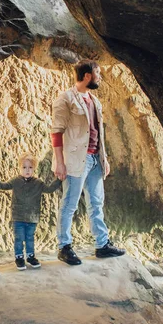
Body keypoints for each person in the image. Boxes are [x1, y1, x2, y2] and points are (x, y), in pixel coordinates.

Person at [51, 59, 125, 265]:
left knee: (96, 203)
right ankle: (64, 247)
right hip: (75, 159)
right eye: (97, 73)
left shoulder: (95, 101)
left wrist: (105, 159)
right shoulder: (65, 98)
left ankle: (102, 245)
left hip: (95, 160)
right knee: (69, 204)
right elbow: (56, 132)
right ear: (87, 76)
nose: (100, 77)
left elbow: (99, 133)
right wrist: (59, 162)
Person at [0, 153, 61, 270]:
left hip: (32, 217)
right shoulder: (16, 181)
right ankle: (19, 257)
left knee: (30, 238)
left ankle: (31, 256)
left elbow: (49, 189)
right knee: (19, 238)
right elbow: (2, 186)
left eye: (30, 167)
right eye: (24, 167)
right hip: (18, 217)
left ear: (34, 168)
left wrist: (59, 180)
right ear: (19, 168)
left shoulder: (38, 183)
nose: (27, 170)